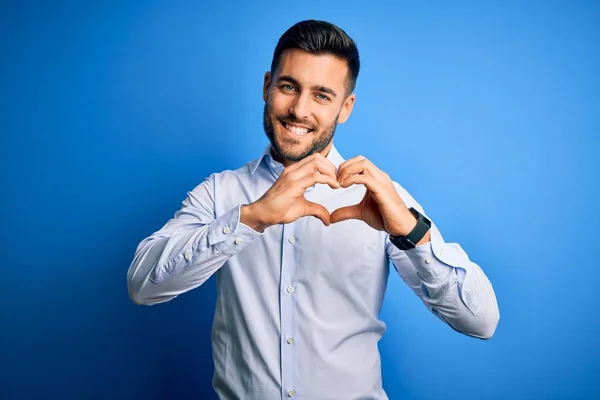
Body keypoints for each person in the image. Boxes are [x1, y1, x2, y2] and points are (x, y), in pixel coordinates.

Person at [127, 19, 500, 400]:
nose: (299, 110)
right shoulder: (221, 192)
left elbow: (481, 320)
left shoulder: (380, 200)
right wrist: (251, 217)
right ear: (267, 85)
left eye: (322, 95)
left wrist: (408, 230)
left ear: (345, 108)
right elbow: (142, 286)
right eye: (288, 87)